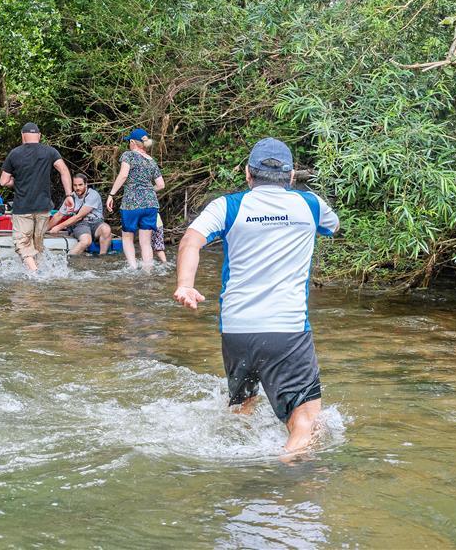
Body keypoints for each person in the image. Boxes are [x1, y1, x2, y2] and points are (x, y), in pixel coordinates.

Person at [173, 137, 339, 454]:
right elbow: (333, 226)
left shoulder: (228, 206)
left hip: (236, 330)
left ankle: (235, 461)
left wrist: (185, 284)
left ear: (249, 174)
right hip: (287, 330)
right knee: (307, 421)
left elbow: (190, 241)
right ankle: (282, 472)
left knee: (242, 406)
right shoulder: (310, 205)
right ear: (291, 177)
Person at [0, 122, 73, 272]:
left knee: (22, 244)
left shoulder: (14, 153)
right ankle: (39, 275)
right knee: (37, 245)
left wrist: (17, 182)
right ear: (39, 136)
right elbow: (64, 171)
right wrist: (69, 195)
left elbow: (3, 181)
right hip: (43, 208)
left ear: (22, 136)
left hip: (22, 208)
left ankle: (35, 274)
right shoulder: (50, 152)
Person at [106, 128, 165, 269]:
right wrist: (148, 190)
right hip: (151, 204)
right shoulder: (152, 161)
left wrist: (111, 194)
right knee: (145, 242)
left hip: (131, 204)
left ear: (132, 142)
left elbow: (123, 175)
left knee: (127, 237)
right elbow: (161, 185)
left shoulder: (129, 155)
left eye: (129, 142)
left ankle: (132, 269)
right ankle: (148, 271)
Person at [48, 173, 113, 255]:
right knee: (86, 241)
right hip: (80, 225)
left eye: (80, 185)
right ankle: (68, 261)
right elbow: (58, 215)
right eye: (75, 185)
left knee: (106, 229)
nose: (77, 188)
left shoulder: (93, 195)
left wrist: (58, 227)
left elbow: (78, 216)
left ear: (86, 184)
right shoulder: (71, 197)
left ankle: (102, 256)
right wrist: (44, 230)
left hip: (96, 223)